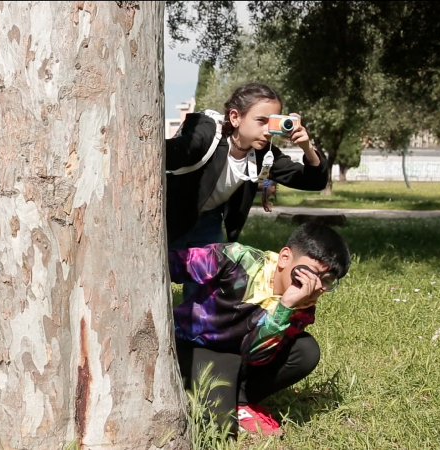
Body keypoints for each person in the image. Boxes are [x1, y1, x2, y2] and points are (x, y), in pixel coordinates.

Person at [169, 222, 351, 437]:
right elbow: (172, 264)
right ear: (285, 257)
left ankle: (241, 399)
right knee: (220, 430)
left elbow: (255, 355)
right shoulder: (237, 260)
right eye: (310, 274)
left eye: (327, 281)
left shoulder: (302, 307)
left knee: (305, 350)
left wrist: (285, 307)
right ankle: (222, 397)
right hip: (196, 346)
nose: (315, 286)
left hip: (241, 355)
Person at [165, 82, 328, 299]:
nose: (266, 130)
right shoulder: (209, 132)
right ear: (235, 117)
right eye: (260, 121)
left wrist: (307, 147)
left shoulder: (263, 154)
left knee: (204, 288)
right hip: (171, 216)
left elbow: (314, 181)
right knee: (158, 271)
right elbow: (179, 150)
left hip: (209, 220)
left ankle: (192, 331)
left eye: (271, 123)